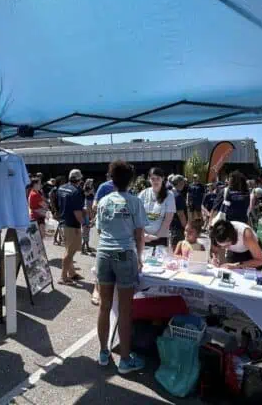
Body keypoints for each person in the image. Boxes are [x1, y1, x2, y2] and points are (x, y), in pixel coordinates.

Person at [95, 160, 146, 374]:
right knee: (125, 309)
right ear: (130, 180)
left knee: (104, 305)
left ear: (111, 178)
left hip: (103, 253)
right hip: (125, 254)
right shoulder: (134, 202)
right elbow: (139, 234)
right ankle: (125, 360)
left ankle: (103, 352)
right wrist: (140, 257)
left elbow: (99, 231)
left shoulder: (103, 201)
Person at [56, 169, 86, 285]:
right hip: (72, 224)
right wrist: (84, 223)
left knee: (68, 249)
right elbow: (77, 212)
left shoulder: (61, 188)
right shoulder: (76, 191)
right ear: (79, 180)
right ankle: (63, 277)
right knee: (70, 252)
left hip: (63, 222)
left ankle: (72, 273)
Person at [139, 168, 176, 252]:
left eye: (158, 178)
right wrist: (143, 234)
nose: (155, 181)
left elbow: (168, 218)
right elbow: (138, 216)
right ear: (149, 179)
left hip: (161, 237)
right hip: (144, 237)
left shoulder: (169, 195)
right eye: (153, 179)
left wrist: (157, 236)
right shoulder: (143, 194)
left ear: (163, 179)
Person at [169, 174, 188, 248]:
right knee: (178, 252)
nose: (184, 184)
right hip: (178, 228)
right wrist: (186, 227)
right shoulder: (178, 196)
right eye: (183, 182)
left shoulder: (170, 193)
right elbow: (181, 214)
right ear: (180, 183)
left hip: (172, 226)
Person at [82, 179, 96, 255]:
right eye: (90, 182)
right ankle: (83, 247)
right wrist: (90, 192)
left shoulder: (91, 190)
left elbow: (93, 198)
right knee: (85, 229)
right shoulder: (85, 190)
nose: (91, 183)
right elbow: (86, 195)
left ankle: (86, 246)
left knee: (88, 229)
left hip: (89, 211)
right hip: (86, 211)